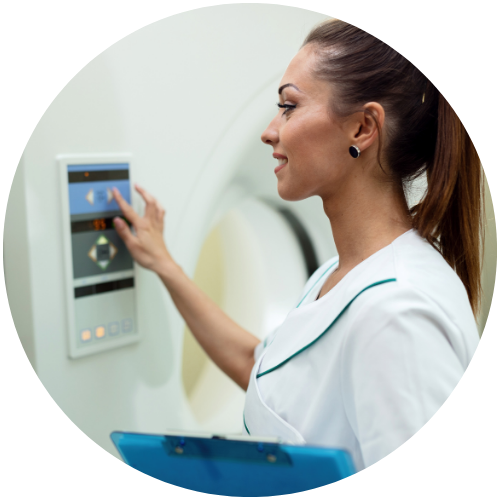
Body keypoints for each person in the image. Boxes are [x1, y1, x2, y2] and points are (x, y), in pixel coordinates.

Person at [111, 19, 484, 478]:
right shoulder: (338, 276)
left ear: (363, 129)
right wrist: (164, 265)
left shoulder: (396, 312)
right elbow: (260, 368)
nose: (270, 131)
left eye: (289, 106)